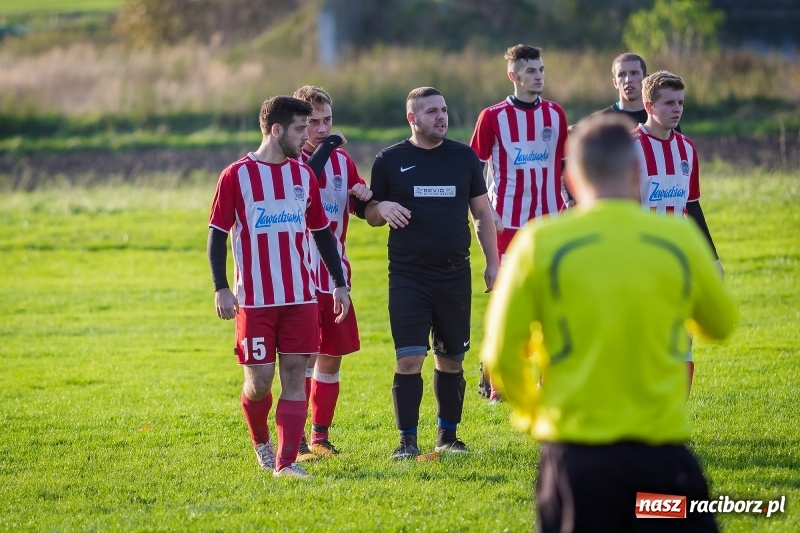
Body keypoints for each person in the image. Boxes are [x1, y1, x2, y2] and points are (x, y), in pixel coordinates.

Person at [481, 113, 737, 532]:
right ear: (637, 170)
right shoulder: (677, 239)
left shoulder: (540, 242)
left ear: (572, 177)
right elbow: (721, 324)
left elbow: (500, 353)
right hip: (661, 457)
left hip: (576, 458)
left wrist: (535, 416)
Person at [207, 95, 351, 478]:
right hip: (255, 302)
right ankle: (262, 443)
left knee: (293, 376)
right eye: (301, 129)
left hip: (301, 298)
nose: (308, 137)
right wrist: (221, 287)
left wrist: (338, 283)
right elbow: (217, 235)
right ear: (276, 130)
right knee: (258, 384)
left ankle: (286, 463)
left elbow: (321, 233)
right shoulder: (236, 175)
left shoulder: (303, 175)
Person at [366, 86, 499, 459]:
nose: (441, 116)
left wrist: (493, 262)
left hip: (455, 274)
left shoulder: (463, 157)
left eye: (443, 109)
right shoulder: (389, 160)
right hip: (409, 276)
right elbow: (371, 213)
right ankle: (406, 442)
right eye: (431, 112)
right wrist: (384, 206)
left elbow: (482, 214)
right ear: (412, 118)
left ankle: (448, 437)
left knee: (451, 357)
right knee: (409, 358)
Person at [470, 44, 568, 402]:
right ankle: (499, 386)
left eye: (541, 69)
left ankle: (547, 382)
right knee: (508, 309)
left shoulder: (556, 114)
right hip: (507, 226)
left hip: (551, 225)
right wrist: (486, 212)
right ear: (513, 75)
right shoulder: (493, 116)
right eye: (530, 70)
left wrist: (571, 205)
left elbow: (565, 168)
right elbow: (472, 171)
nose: (538, 75)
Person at [292, 85, 372, 461]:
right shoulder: (291, 161)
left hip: (335, 275)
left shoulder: (343, 161)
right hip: (300, 275)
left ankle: (320, 436)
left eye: (327, 121)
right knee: (304, 355)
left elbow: (358, 208)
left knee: (331, 355)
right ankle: (300, 442)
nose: (322, 129)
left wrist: (371, 201)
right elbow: (306, 181)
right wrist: (328, 146)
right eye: (313, 123)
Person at [634, 70, 723, 392]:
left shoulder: (686, 148)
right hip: (640, 260)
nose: (677, 109)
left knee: (683, 340)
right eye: (669, 103)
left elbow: (694, 206)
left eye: (681, 103)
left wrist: (712, 259)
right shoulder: (630, 148)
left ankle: (673, 424)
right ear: (649, 105)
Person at [597, 52, 681, 133]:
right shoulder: (599, 121)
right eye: (622, 74)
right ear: (615, 83)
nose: (628, 80)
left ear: (646, 79)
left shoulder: (662, 118)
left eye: (634, 73)